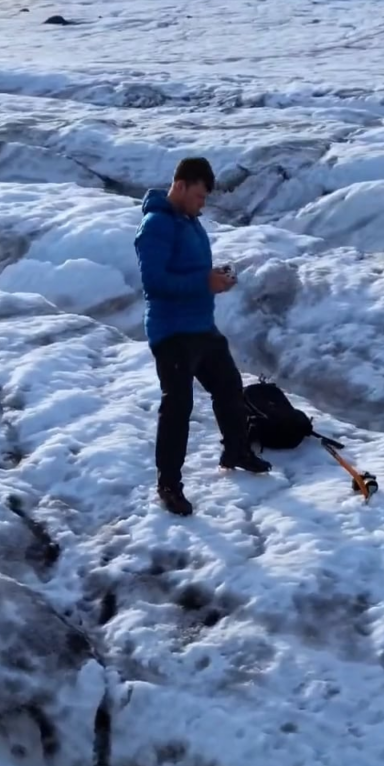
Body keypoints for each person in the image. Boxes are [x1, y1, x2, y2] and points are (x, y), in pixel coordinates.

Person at [134, 156, 271, 516]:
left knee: (228, 387)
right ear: (179, 186)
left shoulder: (190, 221)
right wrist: (203, 282)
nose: (202, 203)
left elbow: (189, 271)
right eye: (198, 195)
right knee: (178, 407)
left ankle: (236, 450)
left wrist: (215, 278)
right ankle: (169, 484)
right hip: (172, 332)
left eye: (204, 198)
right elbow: (154, 282)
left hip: (201, 327)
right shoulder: (157, 225)